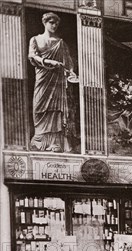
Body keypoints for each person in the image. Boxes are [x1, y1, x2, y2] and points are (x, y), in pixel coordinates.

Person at [28, 12, 77, 152]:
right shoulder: (35, 39)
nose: (54, 25)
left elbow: (68, 64)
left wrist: (71, 73)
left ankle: (55, 142)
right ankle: (39, 140)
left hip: (57, 81)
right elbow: (32, 56)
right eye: (51, 22)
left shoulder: (61, 43)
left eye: (56, 23)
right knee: (39, 107)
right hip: (43, 78)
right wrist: (48, 61)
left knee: (56, 110)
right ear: (44, 23)